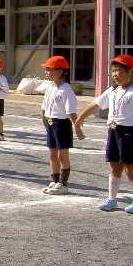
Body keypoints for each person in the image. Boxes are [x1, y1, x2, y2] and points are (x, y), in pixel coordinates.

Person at [75, 54, 133, 214]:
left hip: (129, 132)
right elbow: (95, 104)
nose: (115, 74)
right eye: (113, 70)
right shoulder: (113, 90)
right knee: (114, 165)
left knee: (130, 166)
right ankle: (112, 199)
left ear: (131, 72)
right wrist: (80, 118)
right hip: (114, 131)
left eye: (120, 70)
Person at [39, 56, 83, 195]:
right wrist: (44, 121)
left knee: (62, 155)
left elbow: (71, 113)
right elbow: (44, 106)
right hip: (51, 122)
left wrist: (78, 129)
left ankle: (63, 184)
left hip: (61, 124)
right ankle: (55, 179)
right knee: (52, 153)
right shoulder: (50, 87)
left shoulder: (66, 90)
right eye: (46, 69)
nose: (46, 72)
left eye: (49, 69)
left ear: (59, 71)